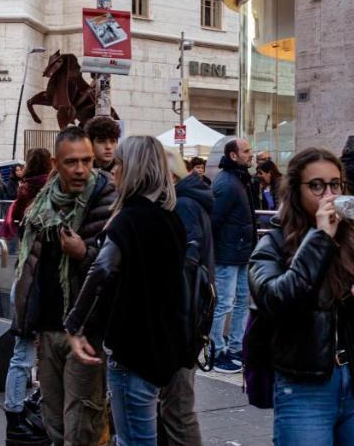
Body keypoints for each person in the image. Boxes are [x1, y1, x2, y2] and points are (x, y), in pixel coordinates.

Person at [248, 147, 354, 444]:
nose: (328, 195)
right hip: (304, 390)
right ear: (296, 191)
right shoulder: (272, 246)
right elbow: (277, 302)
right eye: (317, 186)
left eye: (335, 184)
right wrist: (320, 238)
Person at [64, 136, 189, 445]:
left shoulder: (129, 220)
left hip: (132, 350)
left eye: (118, 164)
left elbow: (101, 270)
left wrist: (74, 324)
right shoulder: (171, 219)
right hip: (165, 348)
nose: (113, 171)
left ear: (133, 169)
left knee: (134, 440)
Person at [10, 126, 116, 446]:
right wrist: (27, 321)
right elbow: (31, 264)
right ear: (56, 164)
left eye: (86, 160)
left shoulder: (106, 196)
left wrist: (84, 253)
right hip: (48, 326)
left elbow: (114, 265)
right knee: (53, 419)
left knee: (82, 422)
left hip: (85, 329)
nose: (81, 169)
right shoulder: (44, 201)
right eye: (72, 162)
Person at [158, 157, 216, 446]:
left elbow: (186, 268)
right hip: (187, 318)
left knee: (177, 407)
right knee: (174, 404)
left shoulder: (183, 205)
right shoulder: (188, 201)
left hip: (182, 321)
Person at [1, 146, 53, 444]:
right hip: (33, 284)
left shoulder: (22, 195)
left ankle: (19, 412)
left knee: (24, 354)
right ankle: (16, 418)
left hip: (25, 279)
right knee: (25, 354)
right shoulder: (44, 196)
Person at [209, 137, 254, 373]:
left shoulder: (238, 179)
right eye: (246, 151)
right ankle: (217, 351)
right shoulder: (227, 183)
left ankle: (235, 348)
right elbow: (214, 220)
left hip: (241, 252)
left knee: (240, 303)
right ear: (234, 155)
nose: (251, 154)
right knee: (225, 304)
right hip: (228, 254)